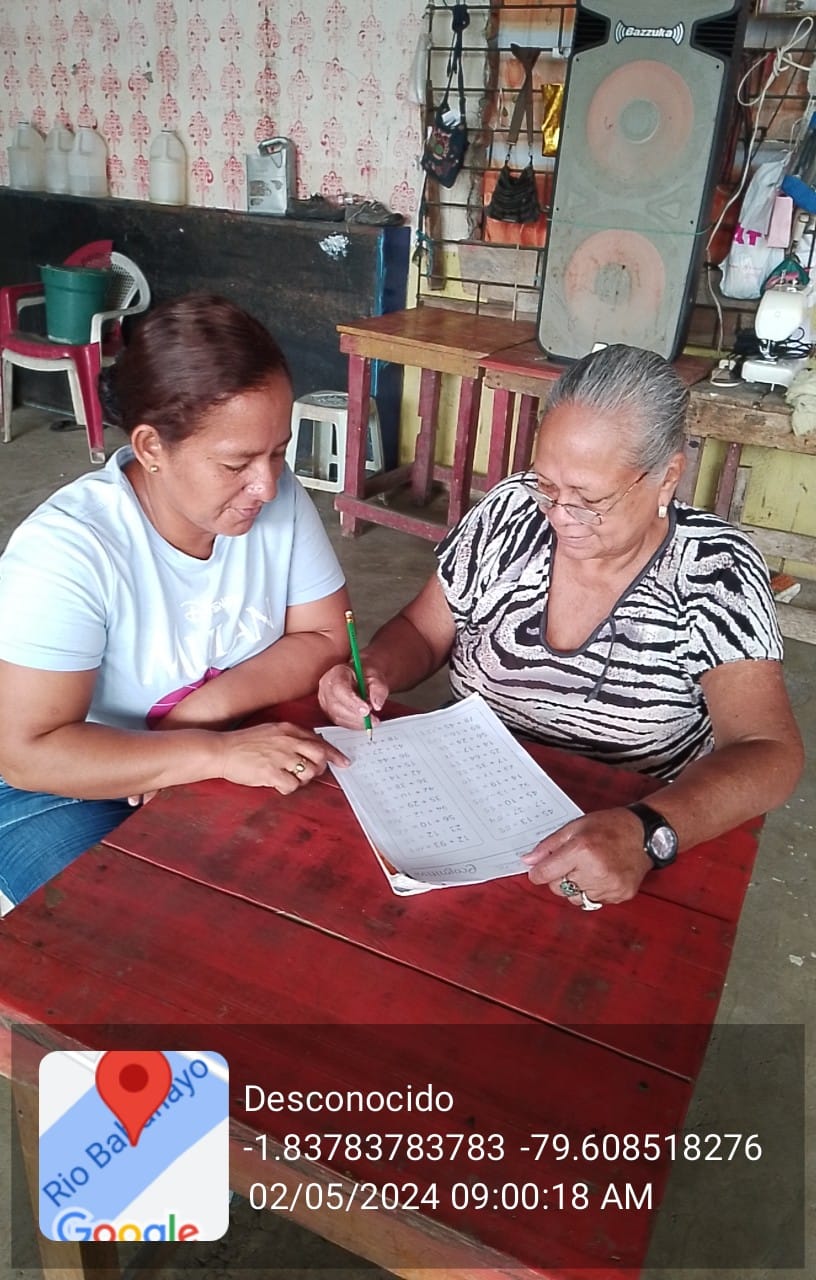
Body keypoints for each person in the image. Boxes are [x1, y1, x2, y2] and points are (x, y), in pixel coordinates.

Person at [319, 343, 804, 908]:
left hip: (616, 836)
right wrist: (374, 669)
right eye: (546, 485)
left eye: (589, 498)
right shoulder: (509, 513)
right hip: (462, 800)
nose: (557, 515)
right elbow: (424, 632)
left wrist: (649, 831)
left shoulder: (714, 570)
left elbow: (768, 750)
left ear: (667, 476)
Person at [0, 294, 350, 914]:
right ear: (151, 447)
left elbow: (326, 638)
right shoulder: (68, 552)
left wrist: (197, 719)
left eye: (278, 452)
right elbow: (29, 752)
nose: (268, 486)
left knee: (314, 891)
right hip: (61, 784)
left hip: (225, 740)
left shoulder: (277, 500)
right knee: (139, 927)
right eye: (236, 463)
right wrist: (206, 754)